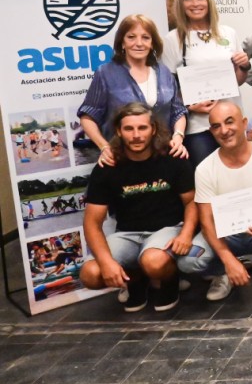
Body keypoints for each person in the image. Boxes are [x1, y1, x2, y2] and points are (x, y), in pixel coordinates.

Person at [79, 103, 197, 312]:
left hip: (167, 229)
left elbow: (192, 202)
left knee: (153, 262)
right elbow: (92, 222)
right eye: (128, 129)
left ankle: (169, 280)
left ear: (153, 129)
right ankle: (135, 279)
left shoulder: (172, 157)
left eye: (142, 128)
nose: (136, 135)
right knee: (90, 275)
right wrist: (106, 263)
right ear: (118, 131)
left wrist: (186, 234)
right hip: (127, 235)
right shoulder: (107, 166)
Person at [186, 101, 252, 301]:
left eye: (229, 122)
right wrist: (228, 259)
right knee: (189, 259)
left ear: (244, 123)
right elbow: (206, 221)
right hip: (225, 235)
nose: (224, 130)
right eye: (216, 126)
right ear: (211, 131)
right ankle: (222, 273)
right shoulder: (204, 169)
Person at [161, 0, 251, 166]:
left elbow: (237, 81)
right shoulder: (173, 39)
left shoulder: (228, 33)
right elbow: (167, 88)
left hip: (231, 122)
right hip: (198, 127)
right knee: (206, 176)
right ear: (181, 4)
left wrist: (243, 66)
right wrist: (190, 105)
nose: (195, 4)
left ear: (209, 1)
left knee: (238, 172)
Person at [79, 14, 188, 166]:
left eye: (145, 38)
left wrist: (178, 136)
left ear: (152, 43)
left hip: (164, 156)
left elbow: (178, 112)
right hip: (121, 160)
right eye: (131, 37)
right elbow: (87, 117)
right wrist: (104, 147)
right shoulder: (105, 74)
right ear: (122, 42)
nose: (139, 43)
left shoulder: (164, 73)